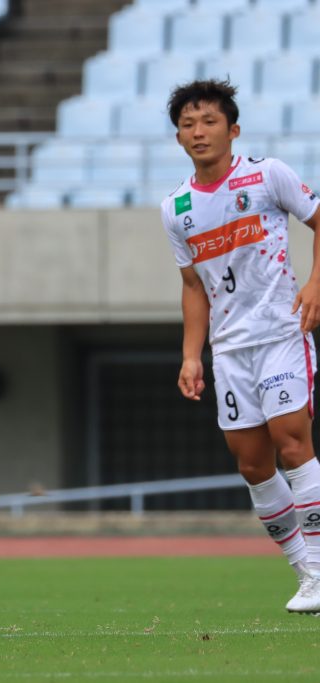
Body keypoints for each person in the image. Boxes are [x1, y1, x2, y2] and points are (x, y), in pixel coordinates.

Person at [162, 79, 320, 613]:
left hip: (281, 333)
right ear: (178, 138)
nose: (198, 131)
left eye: (209, 121)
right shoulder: (176, 208)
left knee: (291, 442)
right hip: (229, 349)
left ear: (233, 130)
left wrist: (315, 283)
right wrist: (191, 355)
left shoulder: (267, 175)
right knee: (252, 465)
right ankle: (305, 574)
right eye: (188, 124)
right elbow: (193, 286)